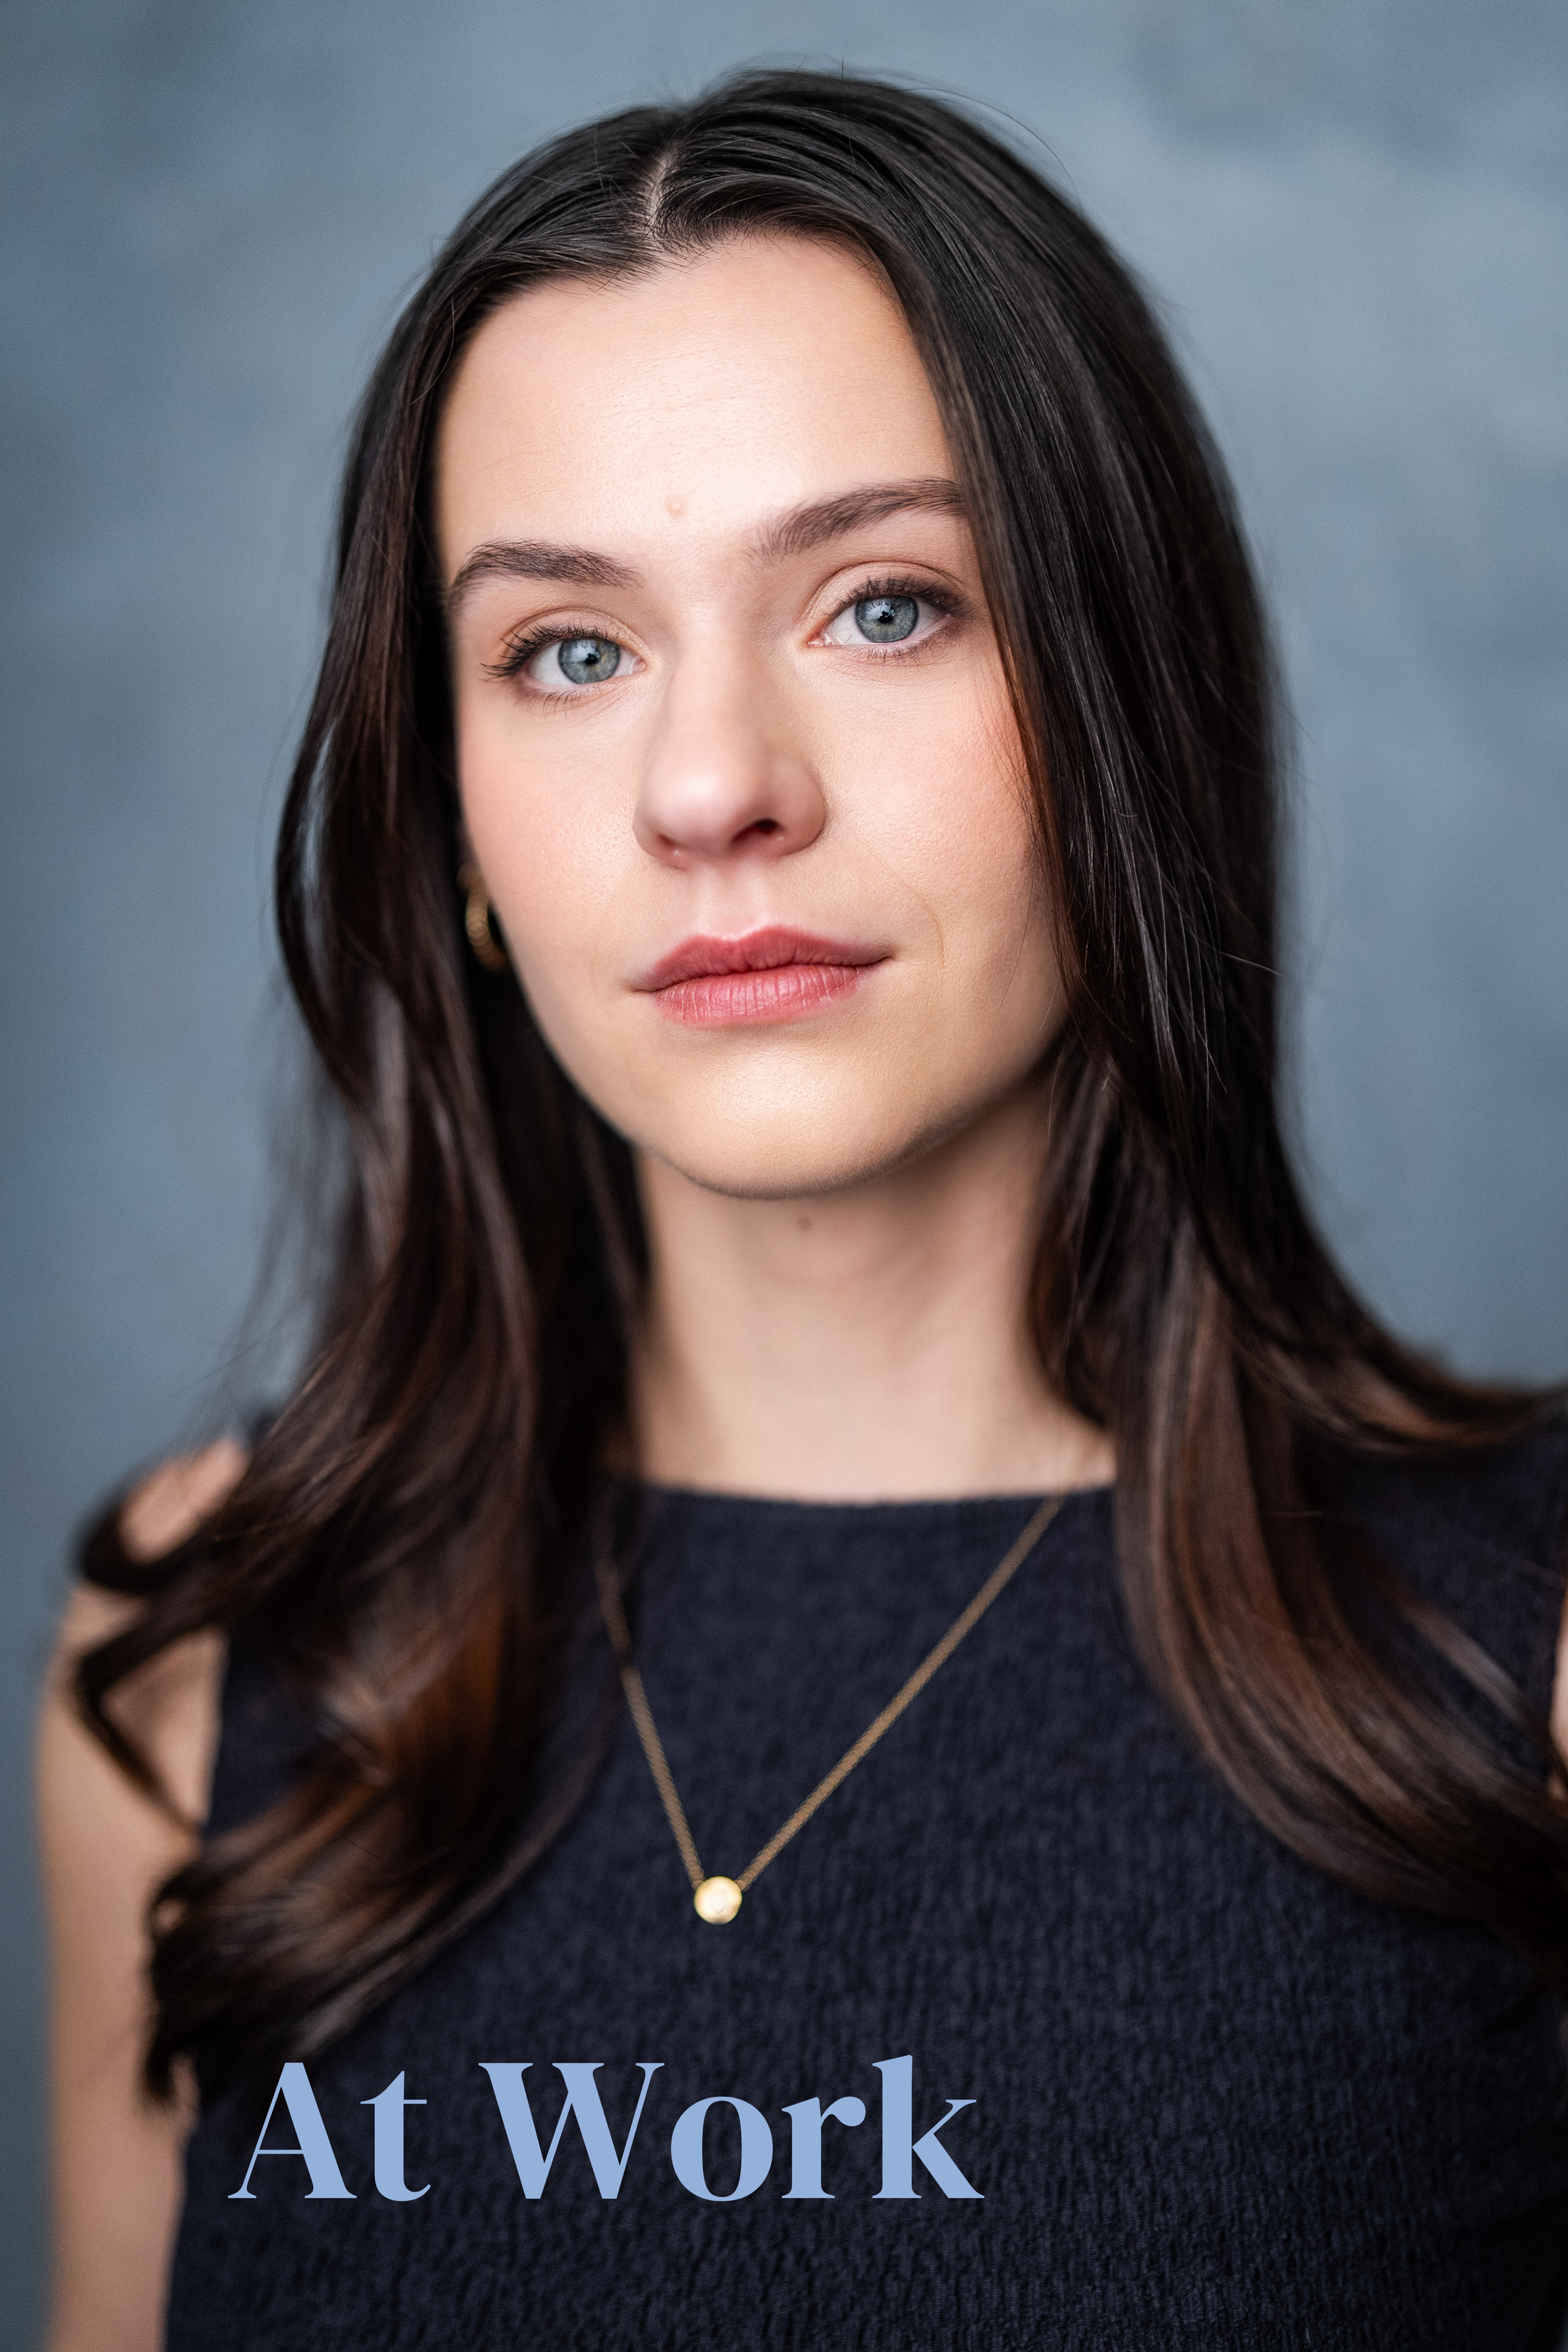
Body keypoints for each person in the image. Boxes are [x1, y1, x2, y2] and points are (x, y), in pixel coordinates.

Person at [36, 68, 1568, 2352]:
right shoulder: (197, 1662)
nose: (710, 785)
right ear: (456, 830)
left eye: (880, 605)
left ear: (1120, 698)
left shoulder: (1527, 1661)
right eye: (568, 649)